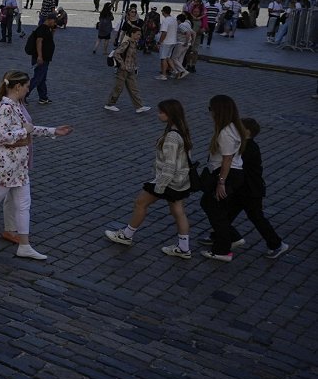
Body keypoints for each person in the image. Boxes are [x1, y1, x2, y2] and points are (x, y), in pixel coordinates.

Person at [0, 70, 72, 260]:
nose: (28, 89)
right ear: (18, 87)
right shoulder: (5, 107)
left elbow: (29, 129)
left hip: (17, 166)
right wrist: (22, 132)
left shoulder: (16, 105)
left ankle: (24, 245)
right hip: (5, 166)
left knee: (24, 204)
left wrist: (53, 131)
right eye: (26, 86)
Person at [103, 99, 194, 257]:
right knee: (178, 211)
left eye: (161, 112)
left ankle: (127, 235)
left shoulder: (172, 136)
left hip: (168, 181)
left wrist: (159, 187)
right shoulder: (182, 130)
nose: (158, 115)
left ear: (169, 114)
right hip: (180, 181)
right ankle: (184, 247)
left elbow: (169, 165)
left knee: (140, 203)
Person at [207, 118, 288, 258]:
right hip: (243, 189)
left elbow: (236, 164)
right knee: (227, 213)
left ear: (247, 132)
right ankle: (219, 236)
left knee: (256, 217)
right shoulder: (243, 145)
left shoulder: (248, 147)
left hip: (251, 190)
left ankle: (276, 244)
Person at [198, 94, 247, 262]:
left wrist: (221, 182)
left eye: (210, 109)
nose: (210, 113)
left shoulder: (225, 133)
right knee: (211, 205)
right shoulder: (234, 127)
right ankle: (232, 238)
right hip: (233, 173)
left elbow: (227, 159)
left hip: (227, 174)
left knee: (214, 209)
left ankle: (222, 250)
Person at [103, 23, 151, 113]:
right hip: (123, 70)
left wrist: (135, 67)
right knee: (118, 88)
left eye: (140, 34)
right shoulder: (127, 43)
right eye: (138, 34)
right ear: (132, 34)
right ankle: (109, 104)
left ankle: (139, 106)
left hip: (131, 69)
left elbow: (133, 57)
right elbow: (117, 53)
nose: (139, 36)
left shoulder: (134, 43)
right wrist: (122, 64)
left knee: (134, 88)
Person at [28, 13, 57, 104]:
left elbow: (48, 41)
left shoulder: (47, 29)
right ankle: (23, 95)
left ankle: (43, 97)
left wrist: (53, 31)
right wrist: (40, 56)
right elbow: (39, 41)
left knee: (42, 78)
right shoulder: (42, 29)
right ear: (50, 20)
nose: (55, 23)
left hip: (45, 58)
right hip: (41, 58)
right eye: (54, 21)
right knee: (37, 78)